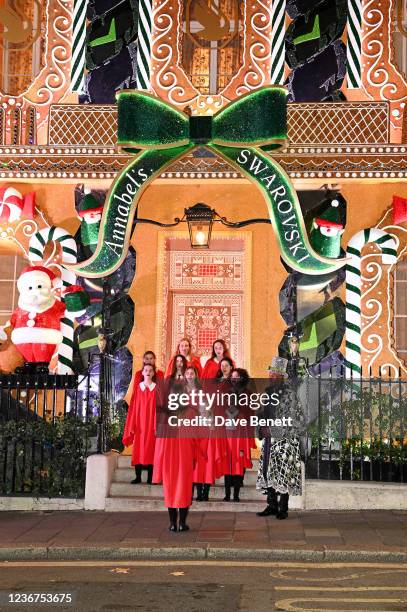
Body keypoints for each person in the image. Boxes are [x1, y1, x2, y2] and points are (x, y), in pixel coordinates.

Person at [153, 375, 205, 532]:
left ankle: (172, 523)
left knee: (170, 489)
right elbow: (197, 436)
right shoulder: (191, 413)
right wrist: (198, 455)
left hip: (169, 457)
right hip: (185, 456)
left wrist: (159, 462)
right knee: (184, 489)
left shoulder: (165, 414)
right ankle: (182, 523)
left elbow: (160, 441)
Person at [256, 357, 302, 520]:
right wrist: (261, 426)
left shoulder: (290, 393)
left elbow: (294, 417)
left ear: (282, 376)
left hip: (285, 440)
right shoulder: (268, 392)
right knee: (268, 471)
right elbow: (262, 412)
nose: (272, 376)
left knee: (283, 471)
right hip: (269, 439)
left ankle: (283, 507)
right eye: (271, 373)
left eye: (275, 374)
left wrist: (273, 429)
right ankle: (271, 504)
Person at [222, 368, 256, 502]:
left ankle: (236, 492)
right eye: (233, 377)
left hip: (242, 433)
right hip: (228, 432)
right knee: (228, 463)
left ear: (242, 378)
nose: (234, 379)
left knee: (239, 463)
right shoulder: (226, 393)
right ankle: (227, 493)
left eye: (237, 377)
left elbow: (250, 415)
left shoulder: (248, 394)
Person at [122, 363, 158, 485]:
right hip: (140, 425)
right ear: (142, 373)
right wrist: (132, 425)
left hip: (152, 424)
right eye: (146, 370)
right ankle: (138, 477)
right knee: (138, 450)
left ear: (153, 373)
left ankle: (150, 478)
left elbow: (159, 409)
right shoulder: (138, 388)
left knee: (151, 450)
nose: (148, 372)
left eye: (150, 370)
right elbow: (134, 408)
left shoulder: (156, 388)